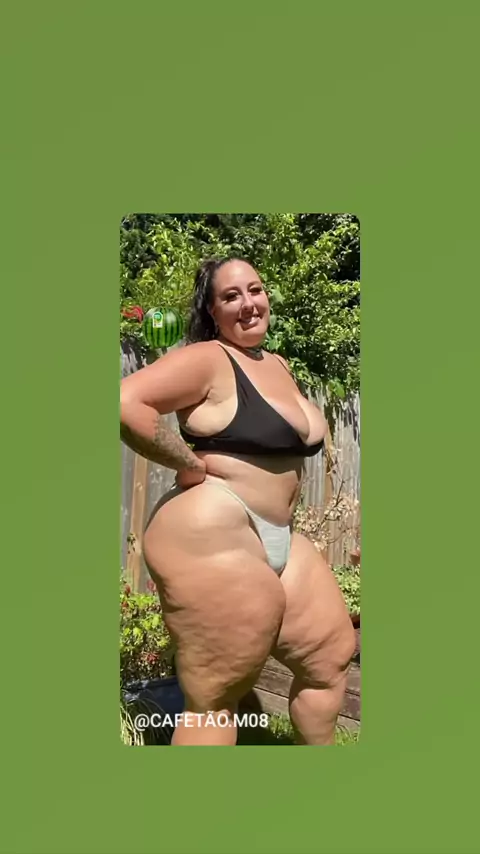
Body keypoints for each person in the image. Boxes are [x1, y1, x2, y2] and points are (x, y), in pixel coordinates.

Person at [120, 257, 356, 745]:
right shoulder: (208, 358)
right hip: (215, 527)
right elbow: (126, 402)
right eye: (231, 296)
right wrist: (187, 463)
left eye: (255, 290)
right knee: (216, 695)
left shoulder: (278, 365)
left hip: (279, 533)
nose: (248, 304)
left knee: (329, 658)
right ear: (212, 311)